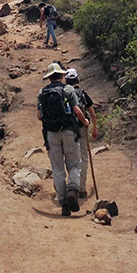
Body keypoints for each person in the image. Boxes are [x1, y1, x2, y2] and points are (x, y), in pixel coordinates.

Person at [37, 62, 88, 215]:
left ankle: (62, 200)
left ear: (49, 78)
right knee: (74, 164)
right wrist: (85, 121)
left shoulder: (42, 92)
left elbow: (39, 116)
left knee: (58, 169)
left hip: (51, 134)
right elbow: (77, 110)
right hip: (69, 132)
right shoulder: (68, 89)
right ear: (61, 75)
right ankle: (72, 190)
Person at [64, 68, 97, 199]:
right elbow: (93, 113)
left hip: (68, 129)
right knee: (84, 157)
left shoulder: (64, 93)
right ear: (77, 79)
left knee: (71, 158)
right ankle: (82, 188)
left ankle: (72, 186)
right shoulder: (82, 93)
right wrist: (94, 128)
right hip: (82, 127)